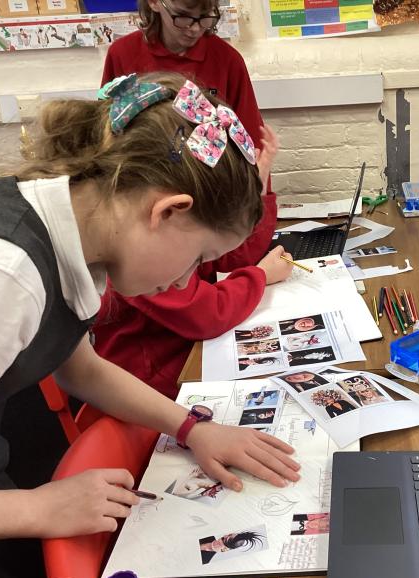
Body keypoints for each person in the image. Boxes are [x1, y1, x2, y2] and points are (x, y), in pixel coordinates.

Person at [0, 72, 300, 578]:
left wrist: (193, 429)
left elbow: (81, 368)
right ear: (167, 211)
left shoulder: (78, 240)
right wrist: (36, 506)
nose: (185, 281)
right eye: (197, 258)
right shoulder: (3, 274)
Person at [95, 0, 285, 399]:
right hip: (153, 385)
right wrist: (260, 277)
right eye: (183, 15)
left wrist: (259, 184)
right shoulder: (138, 240)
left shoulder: (178, 221)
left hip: (184, 365)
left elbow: (229, 255)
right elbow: (202, 310)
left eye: (205, 17)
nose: (194, 28)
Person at [199, 530, 265, 564]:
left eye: (224, 541)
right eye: (229, 535)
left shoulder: (205, 560)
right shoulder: (207, 534)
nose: (224, 536)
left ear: (226, 549)